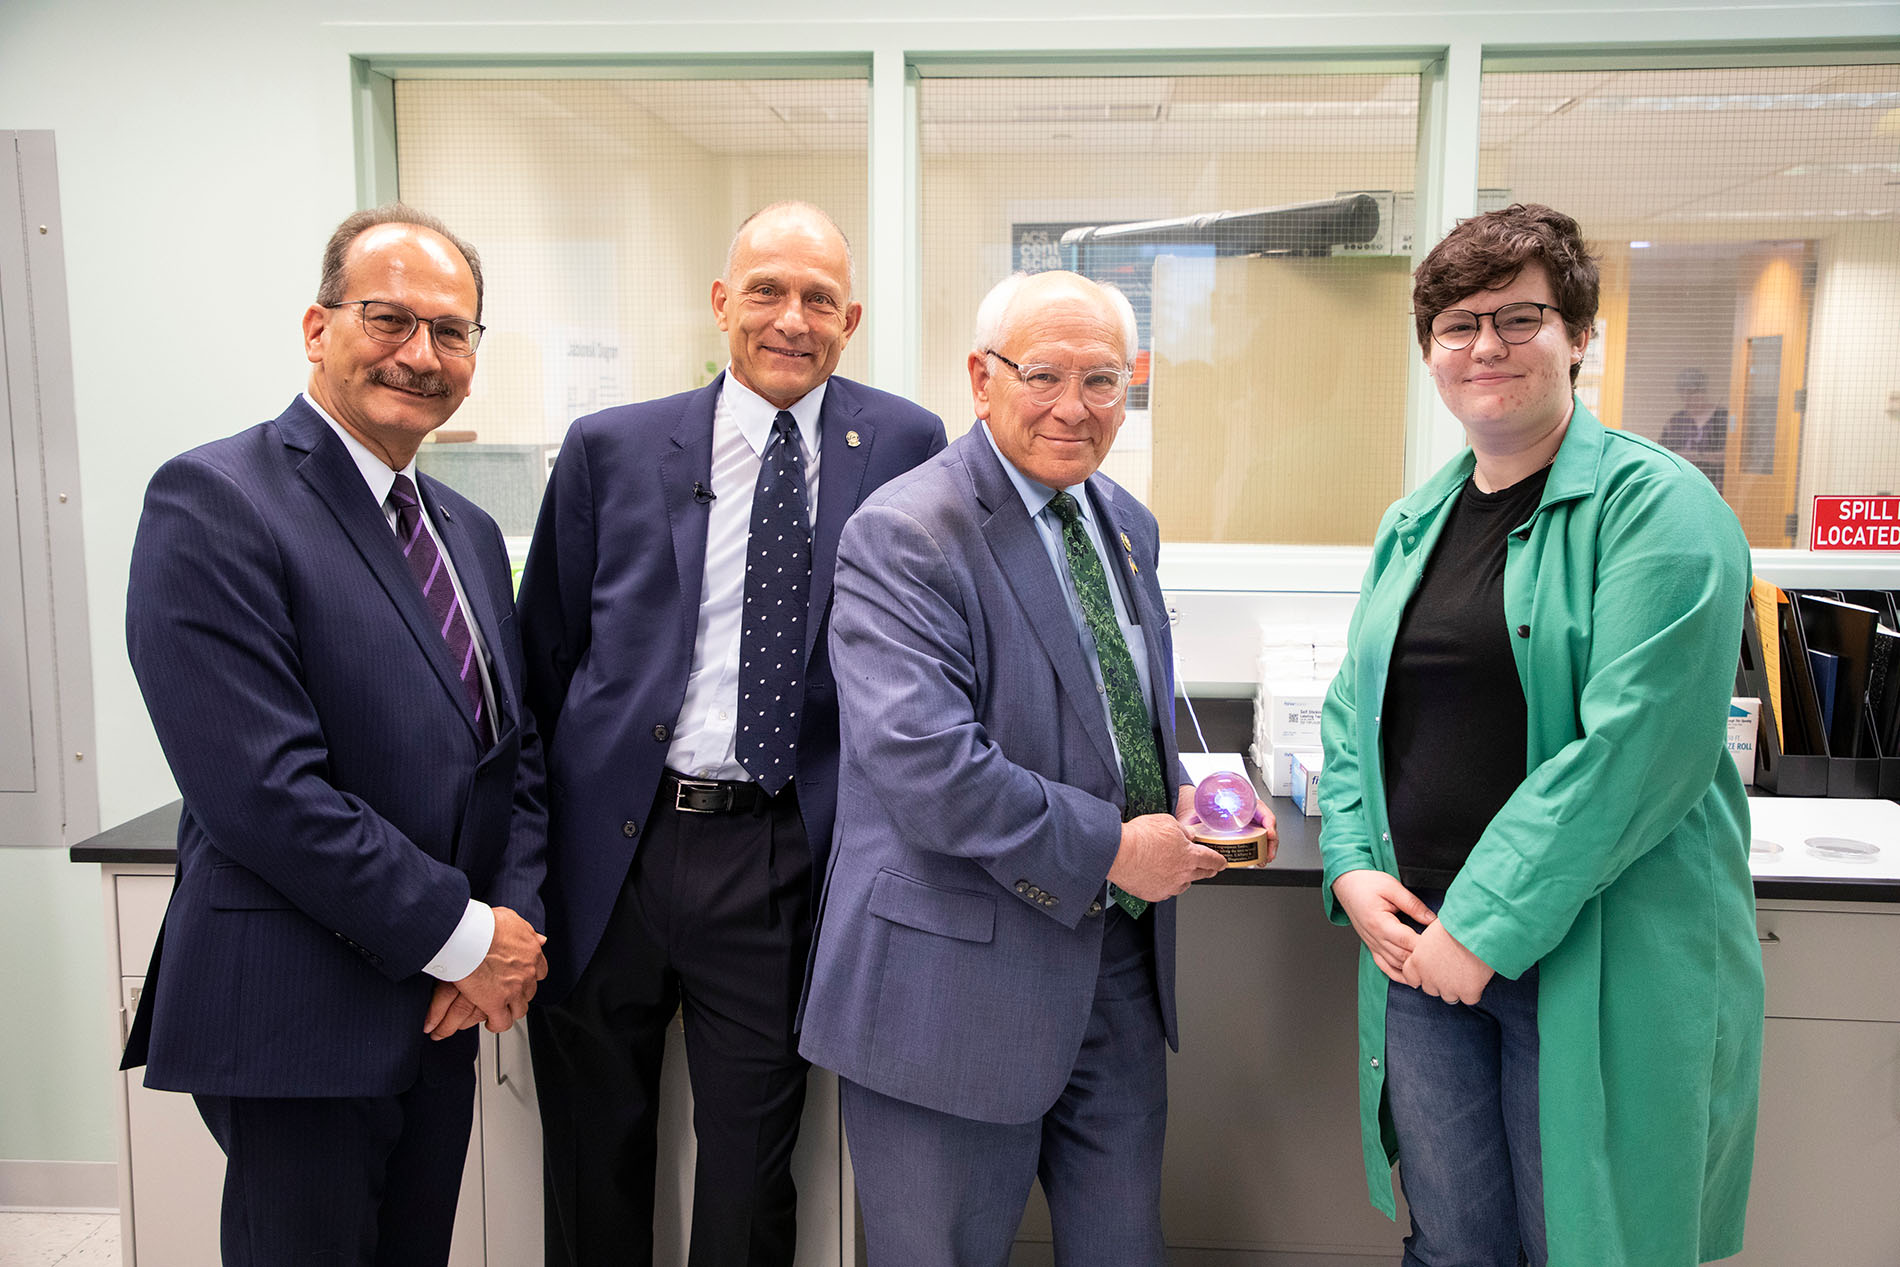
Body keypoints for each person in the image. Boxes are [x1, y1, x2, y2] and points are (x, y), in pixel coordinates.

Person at [798, 269, 1275, 1266]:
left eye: (1102, 380)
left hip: (1116, 980)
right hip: (953, 985)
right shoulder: (905, 533)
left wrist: (1178, 800)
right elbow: (930, 769)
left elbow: (1108, 713)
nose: (1074, 406)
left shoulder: (1123, 524)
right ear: (981, 378)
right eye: (1042, 374)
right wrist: (1112, 844)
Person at [1318, 203, 1763, 1267]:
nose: (1485, 346)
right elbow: (1351, 713)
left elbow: (1632, 752)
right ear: (1429, 351)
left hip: (1587, 955)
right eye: (1457, 323)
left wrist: (1480, 930)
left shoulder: (1659, 510)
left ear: (1578, 335)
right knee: (1457, 1244)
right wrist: (1347, 866)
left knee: (1593, 1242)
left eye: (1519, 317)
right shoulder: (1414, 521)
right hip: (1424, 951)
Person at [516, 201, 946, 1267]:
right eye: (766, 290)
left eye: (818, 299)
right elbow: (544, 663)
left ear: (852, 319)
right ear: (721, 302)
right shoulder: (609, 448)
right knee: (590, 1144)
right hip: (610, 847)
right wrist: (521, 871)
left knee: (752, 1167)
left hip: (778, 849)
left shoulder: (903, 442)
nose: (790, 318)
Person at [122, 204, 550, 1266]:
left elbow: (516, 753)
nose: (421, 353)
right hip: (297, 1012)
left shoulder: (459, 525)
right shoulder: (215, 500)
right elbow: (265, 793)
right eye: (389, 318)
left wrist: (511, 933)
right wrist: (463, 936)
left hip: (442, 1008)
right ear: (318, 328)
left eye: (451, 332)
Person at [1659, 366, 1731, 491]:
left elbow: (1733, 456)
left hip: (1715, 485)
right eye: (1683, 393)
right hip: (1683, 484)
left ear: (1703, 391)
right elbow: (1662, 451)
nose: (1688, 398)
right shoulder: (1676, 421)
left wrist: (1699, 456)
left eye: (1692, 393)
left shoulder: (1722, 418)